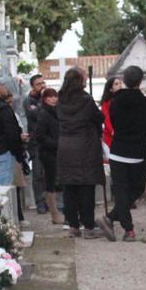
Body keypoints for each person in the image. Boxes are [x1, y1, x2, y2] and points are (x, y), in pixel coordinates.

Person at [98, 66, 146, 242]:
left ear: (126, 81)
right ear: (140, 82)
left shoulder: (115, 102)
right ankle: (128, 229)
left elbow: (113, 121)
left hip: (118, 151)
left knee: (122, 191)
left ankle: (111, 218)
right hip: (137, 152)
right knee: (136, 188)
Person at [55, 67, 105, 238]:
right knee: (86, 187)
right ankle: (89, 226)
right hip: (85, 146)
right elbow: (98, 118)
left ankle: (73, 225)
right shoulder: (86, 100)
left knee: (69, 188)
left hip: (66, 146)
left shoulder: (61, 100)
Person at [32, 87, 64, 224]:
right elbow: (40, 136)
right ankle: (54, 213)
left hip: (59, 152)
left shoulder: (59, 112)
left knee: (59, 181)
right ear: (45, 99)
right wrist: (56, 143)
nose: (53, 99)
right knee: (51, 182)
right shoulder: (44, 113)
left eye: (55, 96)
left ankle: (61, 210)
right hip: (49, 153)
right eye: (50, 97)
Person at [25, 74, 50, 213]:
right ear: (33, 87)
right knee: (38, 174)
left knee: (49, 173)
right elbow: (36, 115)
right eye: (39, 84)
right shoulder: (29, 101)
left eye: (43, 83)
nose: (42, 86)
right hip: (36, 142)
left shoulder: (48, 98)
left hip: (49, 140)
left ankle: (50, 201)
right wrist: (42, 99)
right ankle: (40, 202)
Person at [99, 75, 122, 152]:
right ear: (111, 89)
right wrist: (113, 131)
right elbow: (106, 118)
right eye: (116, 84)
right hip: (111, 135)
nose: (120, 85)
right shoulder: (106, 103)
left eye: (120, 83)